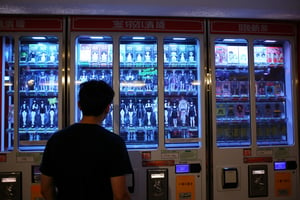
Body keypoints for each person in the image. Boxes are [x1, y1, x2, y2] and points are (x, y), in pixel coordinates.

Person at [40, 80, 133, 200]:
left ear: (79, 105)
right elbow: (120, 195)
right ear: (107, 108)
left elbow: (45, 189)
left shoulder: (56, 139)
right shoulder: (114, 143)